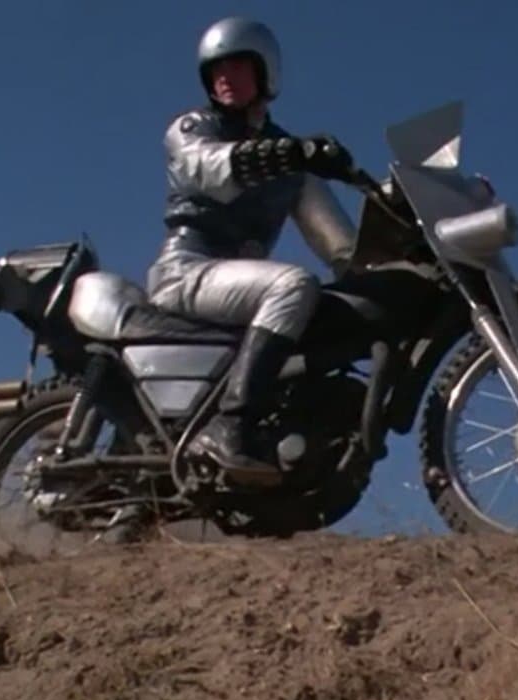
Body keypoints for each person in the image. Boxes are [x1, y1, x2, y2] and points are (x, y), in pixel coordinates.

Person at [146, 16, 360, 487]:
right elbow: (209, 168)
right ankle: (231, 426)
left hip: (235, 287)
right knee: (293, 284)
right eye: (216, 70)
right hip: (187, 269)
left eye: (238, 67)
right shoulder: (192, 128)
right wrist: (290, 153)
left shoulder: (291, 163)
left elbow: (340, 244)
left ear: (265, 75)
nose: (224, 77)